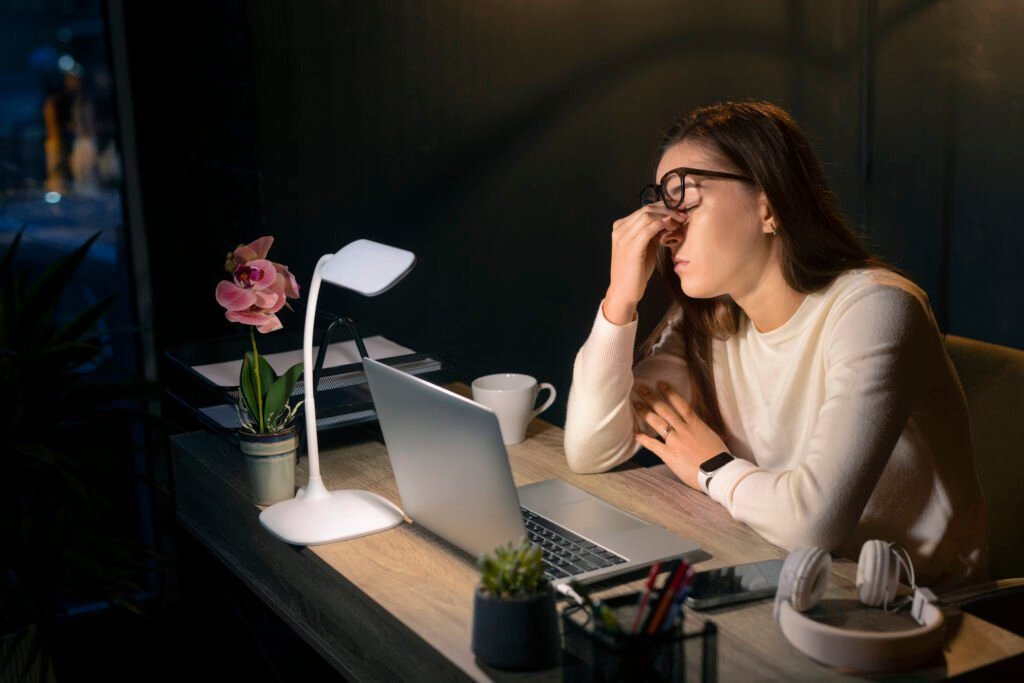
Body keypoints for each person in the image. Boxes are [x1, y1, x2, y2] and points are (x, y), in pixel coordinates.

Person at [563, 101, 988, 590]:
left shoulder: (876, 309)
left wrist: (713, 467)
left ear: (768, 205)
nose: (666, 227)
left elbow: (813, 523)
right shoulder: (709, 318)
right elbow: (592, 448)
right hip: (786, 574)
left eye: (685, 199)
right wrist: (620, 298)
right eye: (661, 203)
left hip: (919, 610)